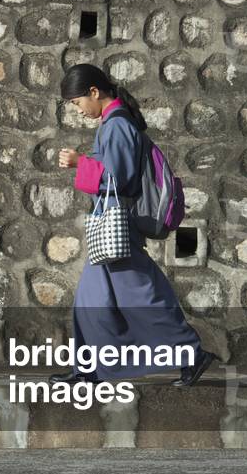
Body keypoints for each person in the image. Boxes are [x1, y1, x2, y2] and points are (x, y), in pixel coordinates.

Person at [50, 64, 215, 387]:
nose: (77, 110)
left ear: (94, 92)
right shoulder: (114, 123)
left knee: (143, 295)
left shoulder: (117, 126)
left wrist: (79, 162)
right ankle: (89, 370)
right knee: (90, 299)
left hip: (118, 227)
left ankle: (191, 354)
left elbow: (118, 180)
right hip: (113, 226)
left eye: (77, 102)